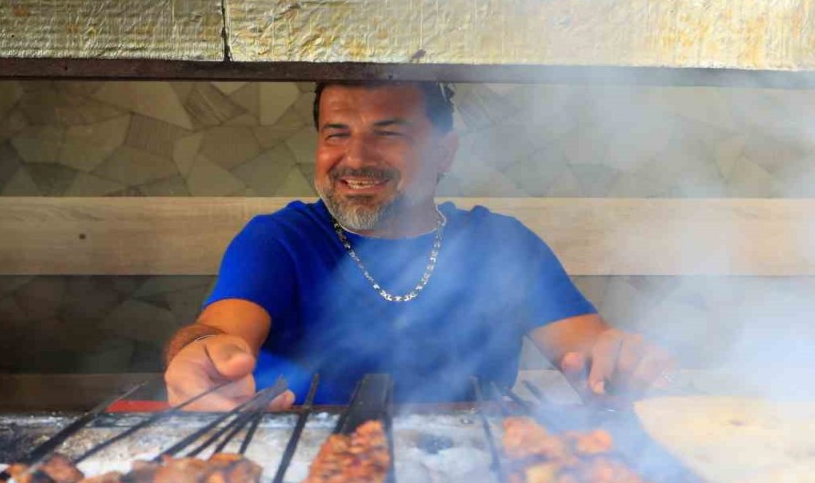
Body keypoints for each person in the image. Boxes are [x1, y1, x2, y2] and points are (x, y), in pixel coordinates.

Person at [164, 81, 670, 410]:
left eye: (389, 134)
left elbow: (588, 348)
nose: (355, 157)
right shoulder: (278, 240)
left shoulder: (501, 244)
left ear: (444, 151)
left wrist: (616, 360)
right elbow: (218, 333)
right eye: (335, 134)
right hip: (295, 471)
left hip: (475, 481)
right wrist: (198, 356)